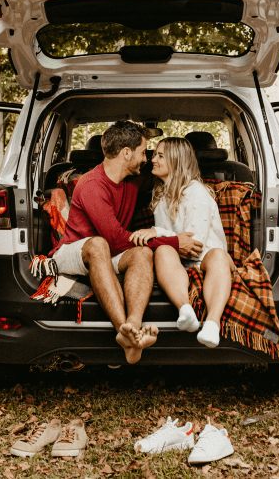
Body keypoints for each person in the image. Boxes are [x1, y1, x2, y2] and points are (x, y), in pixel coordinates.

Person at [50, 121, 203, 364]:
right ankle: (123, 331)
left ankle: (133, 326)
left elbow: (172, 176)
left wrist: (204, 190)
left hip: (109, 251)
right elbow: (116, 240)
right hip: (74, 251)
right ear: (126, 153)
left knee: (142, 253)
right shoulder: (91, 185)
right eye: (143, 152)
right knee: (99, 243)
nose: (147, 159)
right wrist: (174, 242)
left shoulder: (134, 179)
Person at [128, 137, 235, 348]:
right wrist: (160, 238)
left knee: (218, 256)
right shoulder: (161, 193)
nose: (153, 160)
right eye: (154, 155)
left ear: (176, 160)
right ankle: (185, 310)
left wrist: (156, 231)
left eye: (160, 156)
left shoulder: (196, 191)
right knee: (162, 251)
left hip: (205, 257)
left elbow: (194, 245)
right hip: (179, 260)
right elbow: (174, 244)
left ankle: (212, 324)